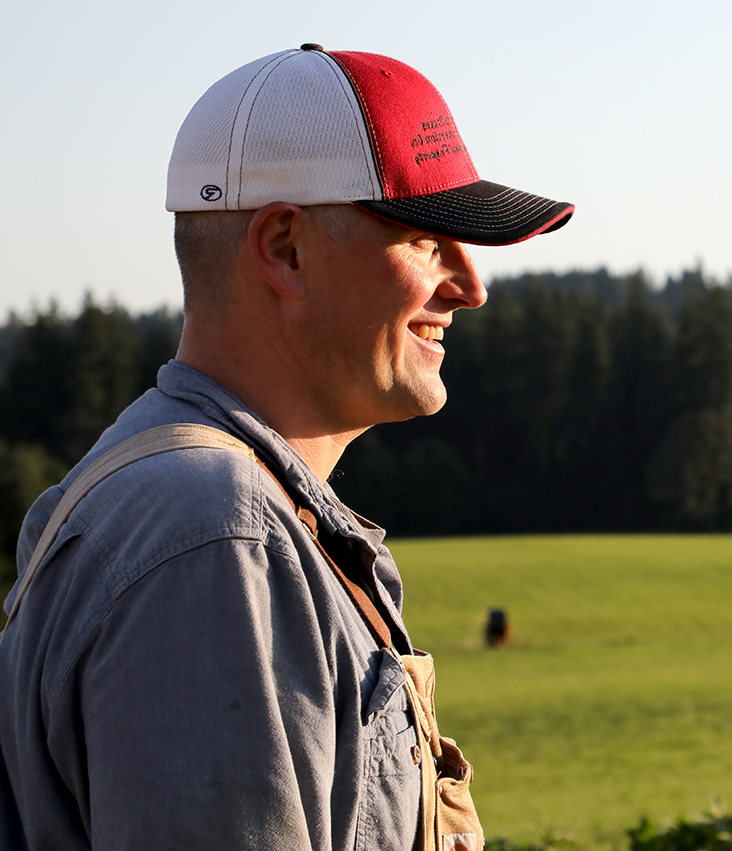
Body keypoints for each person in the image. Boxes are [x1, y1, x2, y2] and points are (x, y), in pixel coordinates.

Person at [0, 44, 572, 849]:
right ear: (285, 250)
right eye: (426, 238)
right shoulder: (214, 539)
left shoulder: (194, 502)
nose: (471, 285)